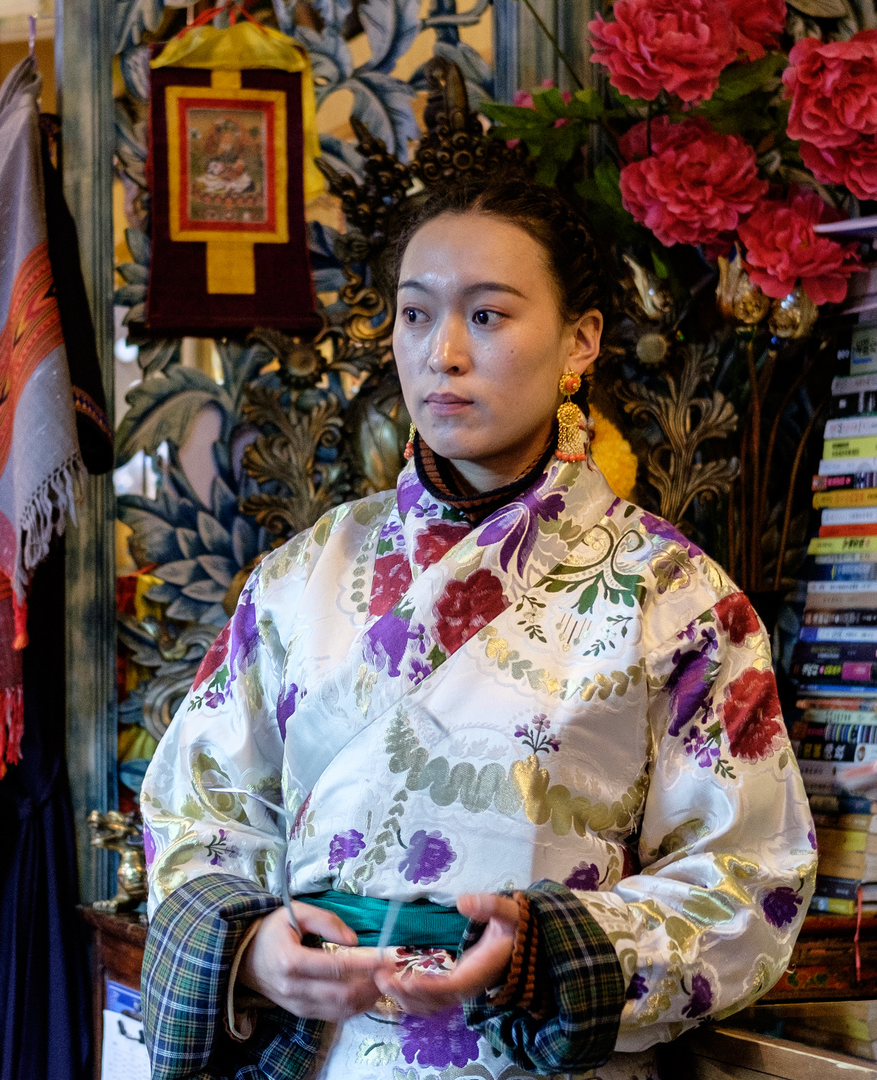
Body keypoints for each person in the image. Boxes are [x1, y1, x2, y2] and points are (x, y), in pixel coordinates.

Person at [139, 176, 815, 1080]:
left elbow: (751, 873)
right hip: (328, 1054)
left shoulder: (676, 597)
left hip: (542, 1057)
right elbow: (196, 810)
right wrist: (254, 947)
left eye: (488, 317)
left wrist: (551, 950)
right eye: (416, 317)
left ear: (581, 340)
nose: (442, 353)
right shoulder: (303, 576)